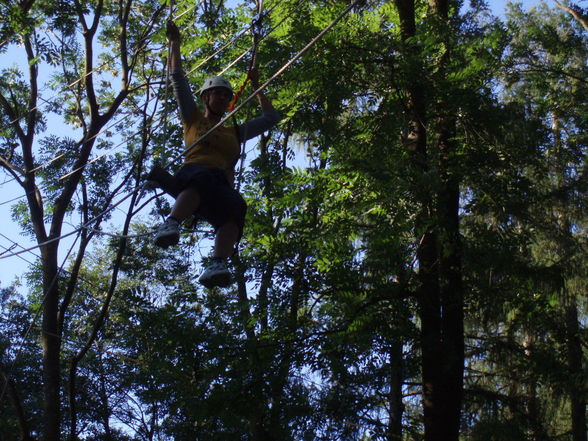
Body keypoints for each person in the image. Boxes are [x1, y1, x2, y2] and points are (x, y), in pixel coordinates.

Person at [154, 20, 280, 288]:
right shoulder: (193, 118)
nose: (223, 99)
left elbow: (270, 118)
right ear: (206, 97)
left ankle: (217, 264)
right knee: (204, 176)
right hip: (195, 174)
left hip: (217, 186)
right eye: (218, 94)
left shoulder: (235, 131)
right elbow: (178, 78)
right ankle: (171, 222)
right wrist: (174, 44)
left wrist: (257, 87)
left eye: (226, 96)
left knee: (237, 208)